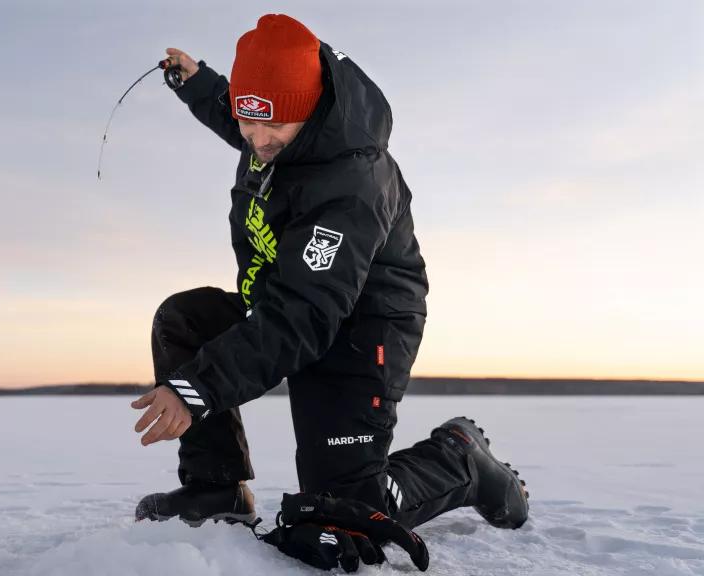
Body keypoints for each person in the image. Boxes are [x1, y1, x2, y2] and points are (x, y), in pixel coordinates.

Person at [129, 13, 528, 537]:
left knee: (344, 513)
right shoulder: (272, 128)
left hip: (362, 327)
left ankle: (458, 460)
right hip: (290, 301)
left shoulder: (354, 181)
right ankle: (217, 486)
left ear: (310, 111)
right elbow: (245, 115)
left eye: (273, 125)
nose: (257, 139)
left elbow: (303, 315)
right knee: (185, 318)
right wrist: (200, 83)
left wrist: (197, 387)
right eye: (249, 121)